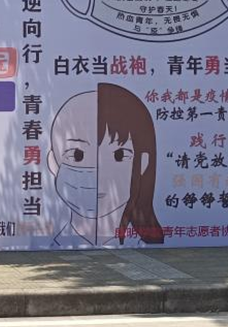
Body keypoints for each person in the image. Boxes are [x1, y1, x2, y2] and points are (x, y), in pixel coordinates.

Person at [46, 83, 164, 248]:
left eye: (119, 155)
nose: (98, 173)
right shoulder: (53, 244)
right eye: (77, 155)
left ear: (143, 163)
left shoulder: (143, 244)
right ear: (53, 163)